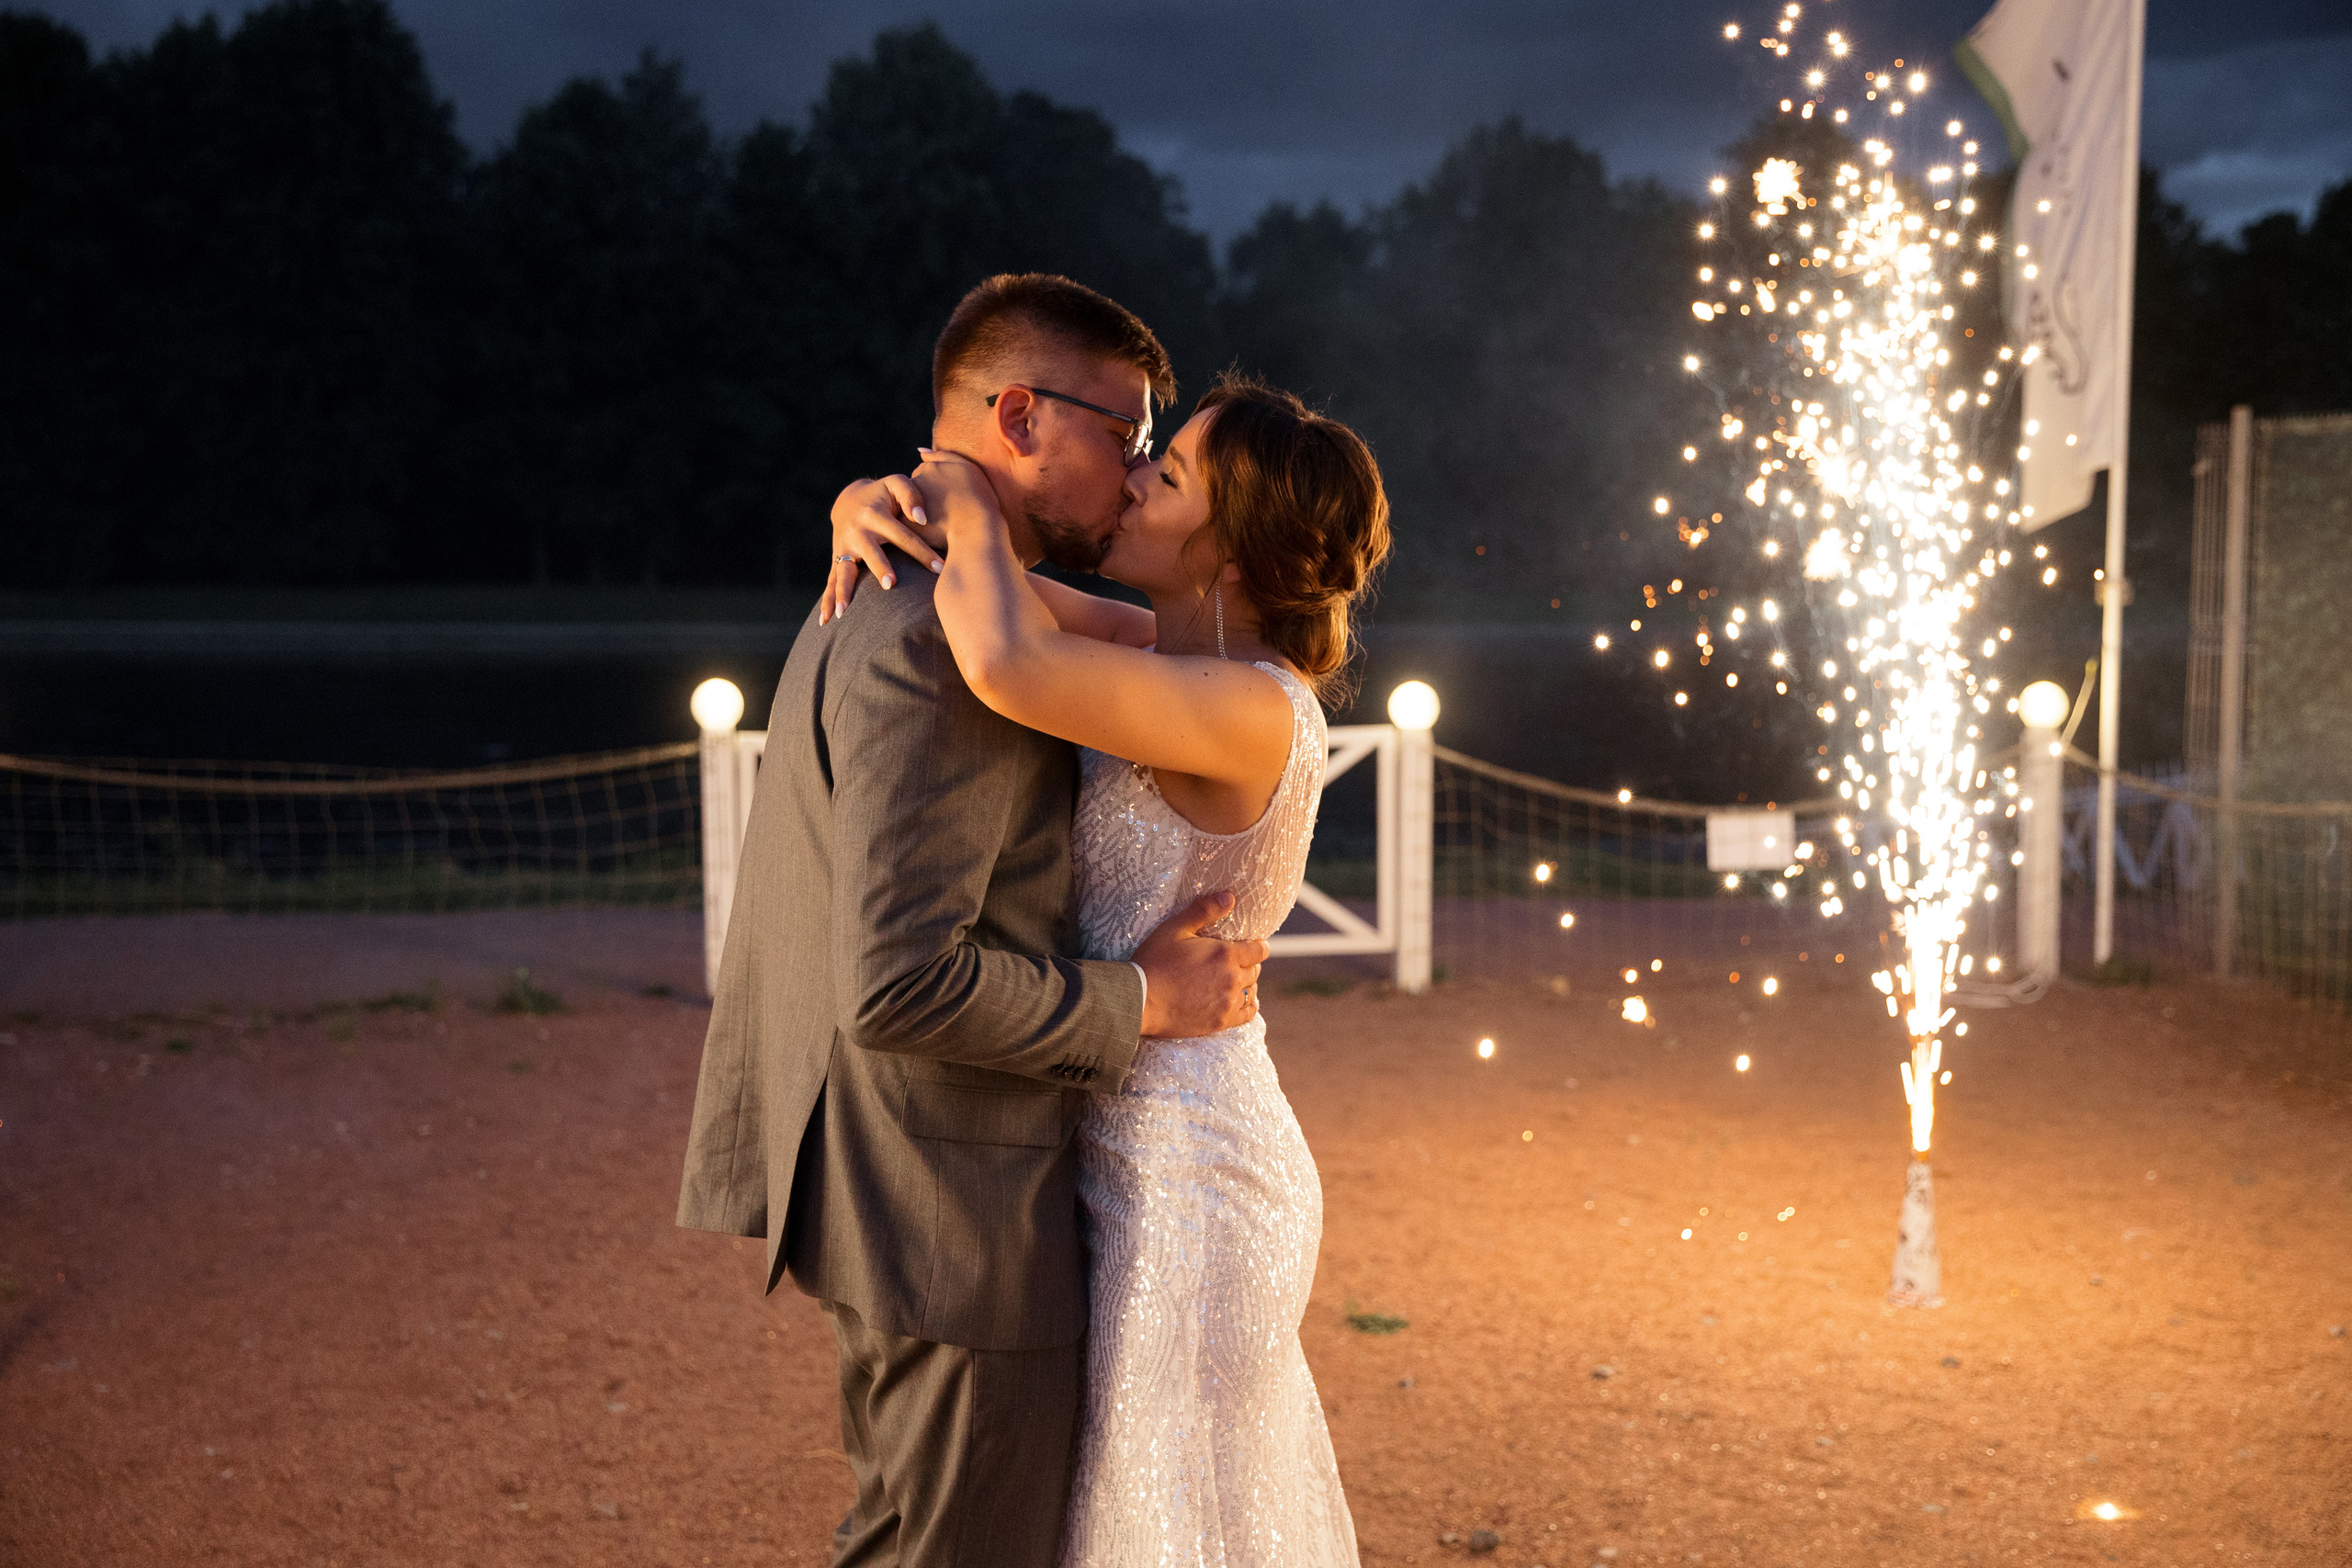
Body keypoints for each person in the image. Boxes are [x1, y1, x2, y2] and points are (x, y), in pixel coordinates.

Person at [674, 274, 1270, 1568]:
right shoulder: (938, 632)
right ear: (1017, 415)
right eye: (1125, 436)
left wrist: (899, 487)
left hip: (935, 1180)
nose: (1134, 473)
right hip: (950, 1206)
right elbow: (899, 980)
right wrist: (1147, 1005)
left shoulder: (927, 580)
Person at [826, 364, 1392, 1564]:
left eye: (1171, 474)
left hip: (1193, 1176)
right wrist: (861, 508)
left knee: (1162, 1524)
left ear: (1229, 557)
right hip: (1130, 1145)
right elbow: (995, 607)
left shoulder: (1251, 710)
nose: (1135, 480)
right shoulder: (1166, 652)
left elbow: (1008, 665)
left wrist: (968, 497)